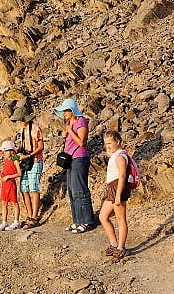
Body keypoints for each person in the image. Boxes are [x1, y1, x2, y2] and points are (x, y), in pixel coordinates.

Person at [54, 97, 93, 233]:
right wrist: (66, 136)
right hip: (71, 160)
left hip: (80, 158)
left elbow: (82, 142)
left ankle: (87, 221)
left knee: (80, 190)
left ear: (72, 110)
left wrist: (70, 131)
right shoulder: (70, 122)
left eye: (66, 110)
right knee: (72, 191)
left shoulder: (81, 121)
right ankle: (77, 221)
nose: (64, 113)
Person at [99, 130, 133, 260]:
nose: (107, 146)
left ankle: (121, 247)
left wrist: (118, 195)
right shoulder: (115, 155)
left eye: (110, 143)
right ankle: (114, 243)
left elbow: (122, 175)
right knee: (103, 216)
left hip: (117, 187)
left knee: (120, 219)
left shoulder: (120, 156)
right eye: (106, 143)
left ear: (118, 141)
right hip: (112, 188)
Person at [11, 106, 44, 227]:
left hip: (35, 160)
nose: (19, 122)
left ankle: (35, 217)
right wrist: (15, 152)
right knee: (24, 188)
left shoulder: (35, 128)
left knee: (33, 188)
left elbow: (40, 147)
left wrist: (28, 155)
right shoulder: (22, 130)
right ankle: (30, 215)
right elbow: (24, 146)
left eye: (20, 120)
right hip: (26, 161)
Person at [0, 140, 22, 231]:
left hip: (11, 184)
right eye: (4, 151)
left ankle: (16, 222)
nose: (4, 153)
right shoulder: (6, 159)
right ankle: (4, 222)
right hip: (5, 184)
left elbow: (19, 173)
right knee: (3, 202)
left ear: (11, 151)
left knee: (14, 202)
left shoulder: (15, 159)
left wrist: (9, 176)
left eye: (6, 151)